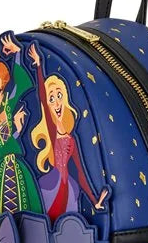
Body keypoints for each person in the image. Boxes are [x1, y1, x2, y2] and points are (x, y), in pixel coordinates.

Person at [28, 44, 108, 222]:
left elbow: (80, 173)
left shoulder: (71, 138)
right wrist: (39, 65)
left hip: (69, 187)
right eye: (52, 98)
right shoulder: (52, 131)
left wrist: (95, 201)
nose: (56, 103)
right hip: (53, 183)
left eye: (59, 96)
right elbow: (42, 97)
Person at [0, 33, 43, 215]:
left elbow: (21, 82)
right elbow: (4, 147)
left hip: (17, 167)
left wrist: (18, 52)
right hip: (1, 170)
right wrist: (17, 130)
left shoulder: (9, 106)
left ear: (4, 92)